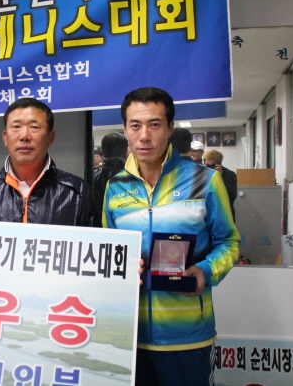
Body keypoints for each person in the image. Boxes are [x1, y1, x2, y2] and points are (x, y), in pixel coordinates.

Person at [102, 87, 239, 386]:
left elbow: (229, 242)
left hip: (187, 336)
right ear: (125, 129)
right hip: (129, 336)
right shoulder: (115, 188)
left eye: (154, 124)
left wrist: (205, 271)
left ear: (170, 127)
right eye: (135, 125)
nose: (144, 136)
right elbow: (110, 253)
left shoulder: (205, 180)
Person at [0, 97, 96, 227]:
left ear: (50, 138)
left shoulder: (76, 191)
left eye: (34, 127)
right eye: (16, 126)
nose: (24, 136)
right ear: (5, 138)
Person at [93, 132, 127, 220]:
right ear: (126, 152)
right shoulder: (135, 176)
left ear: (102, 152)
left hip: (96, 224)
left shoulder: (91, 176)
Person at [203, 149, 237, 222]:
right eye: (206, 165)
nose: (208, 168)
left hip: (224, 214)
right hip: (207, 214)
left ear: (218, 164)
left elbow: (232, 195)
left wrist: (220, 177)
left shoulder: (229, 175)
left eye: (210, 165)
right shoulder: (202, 174)